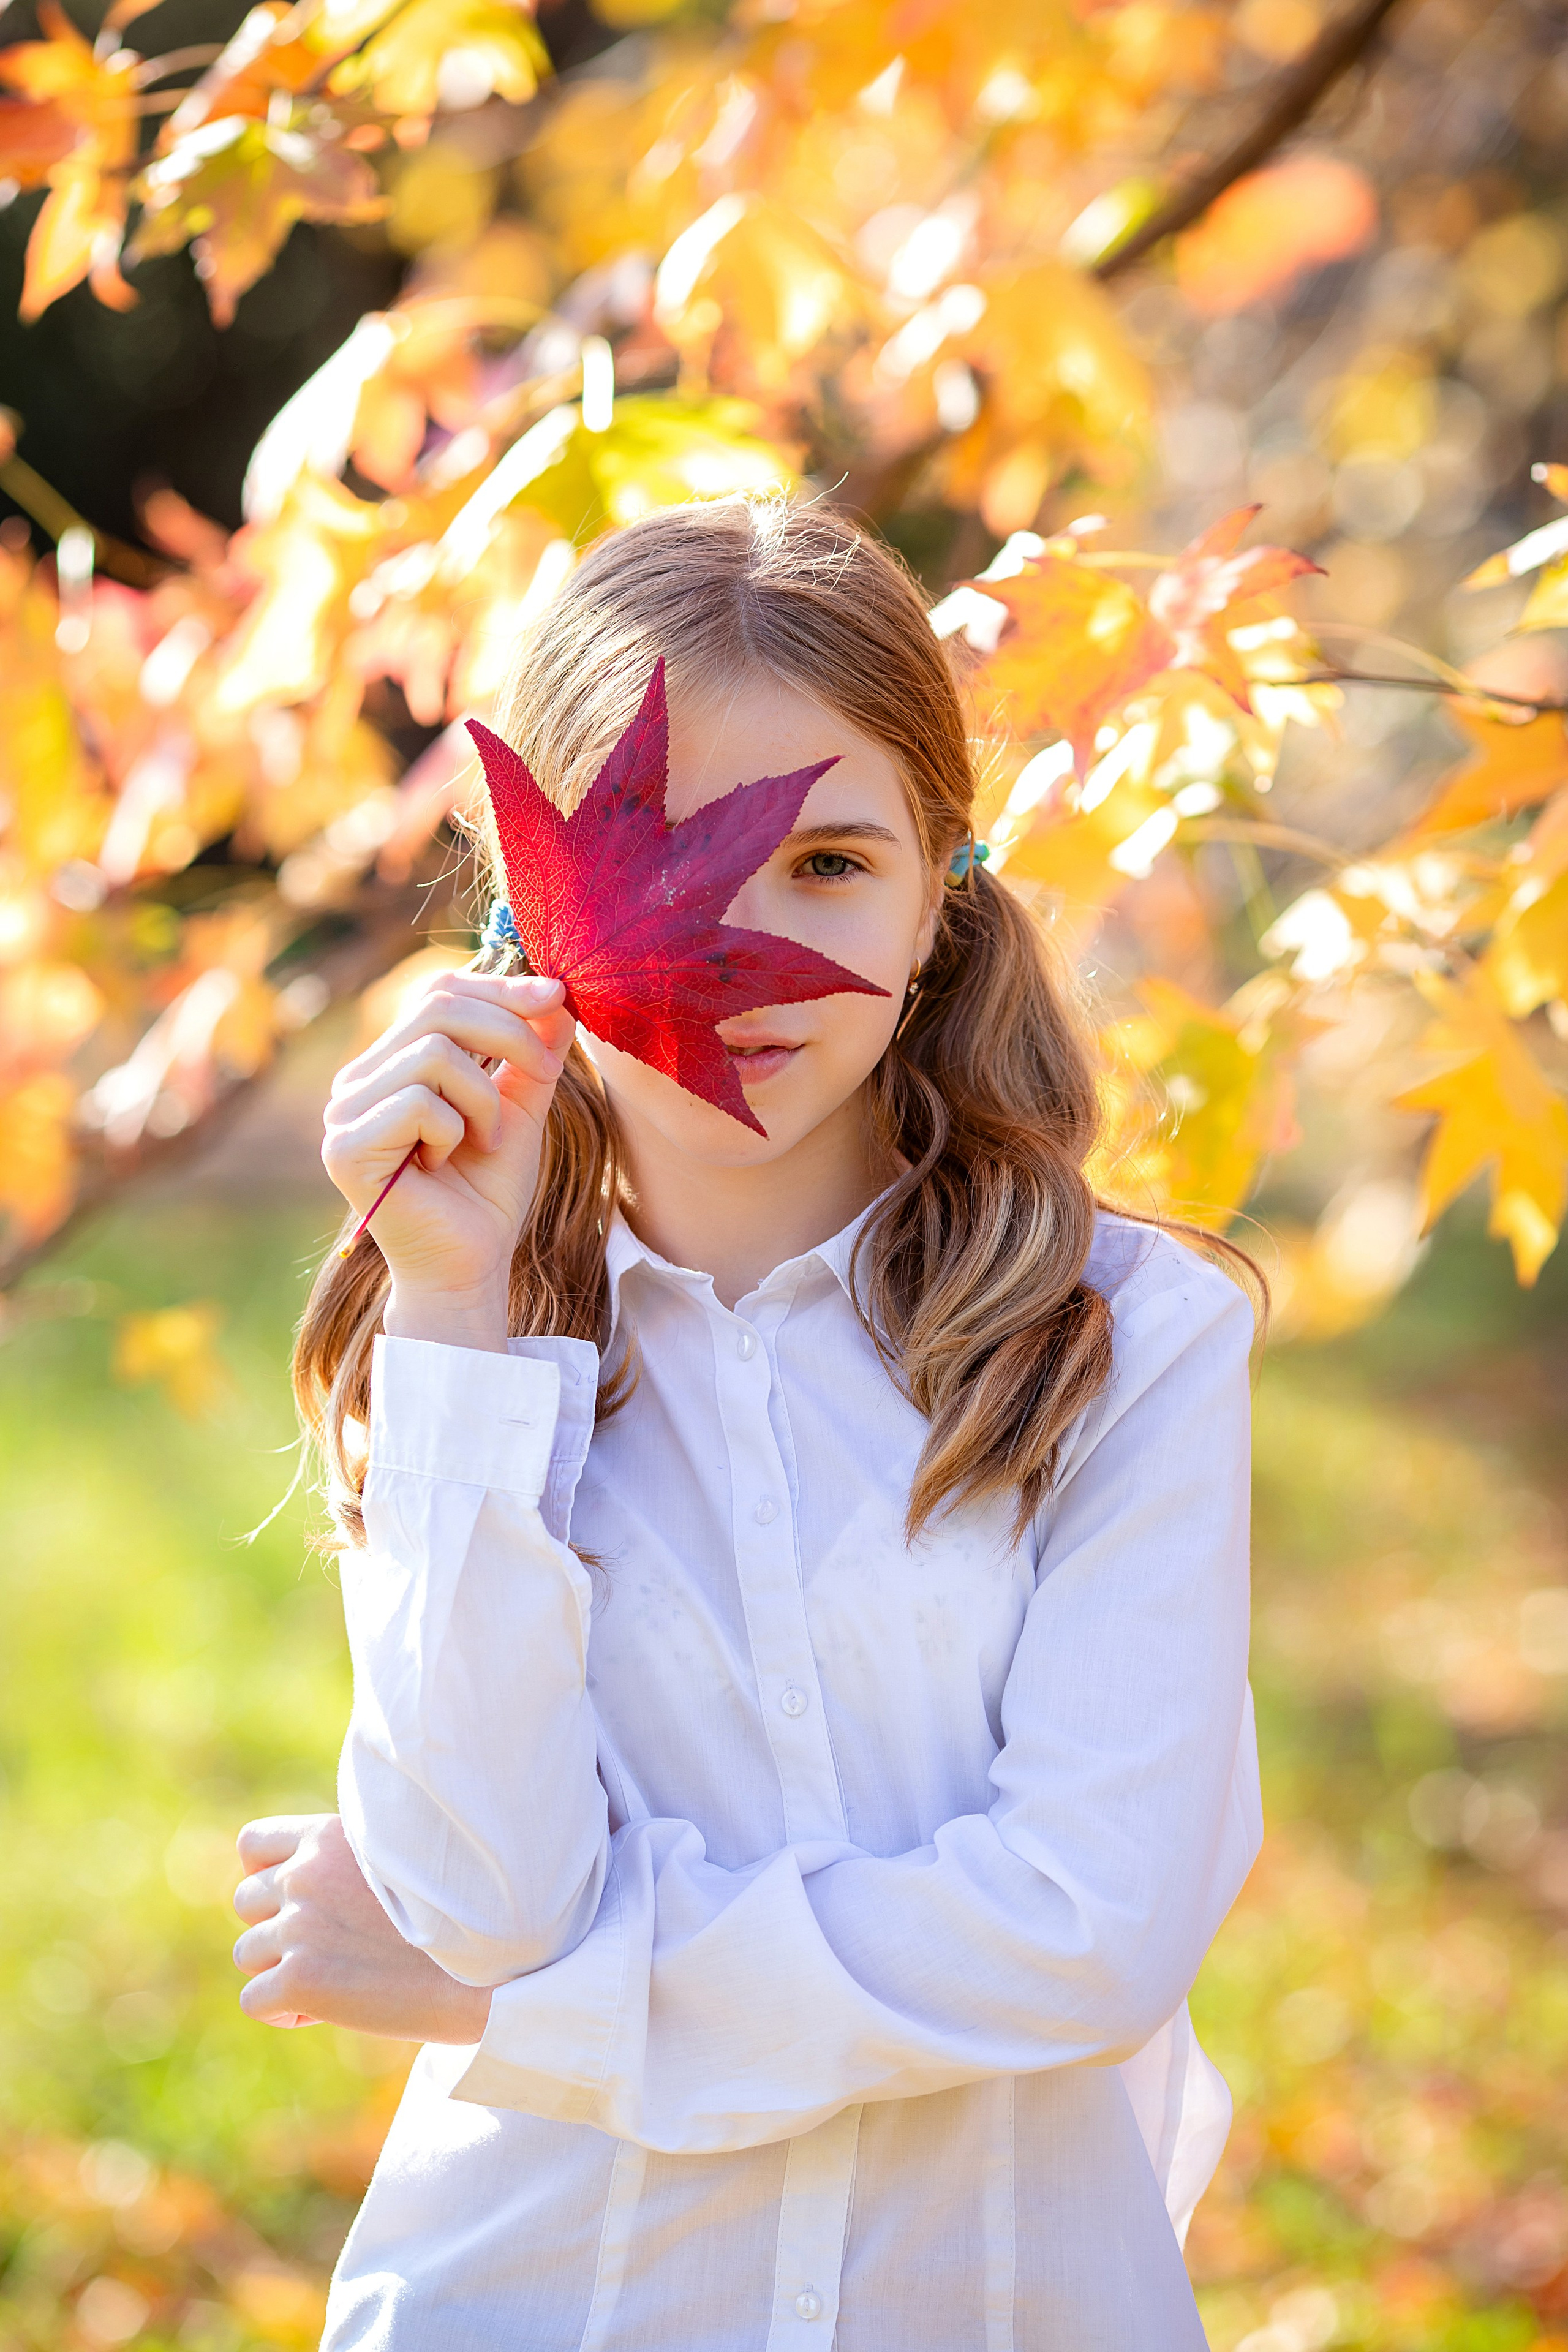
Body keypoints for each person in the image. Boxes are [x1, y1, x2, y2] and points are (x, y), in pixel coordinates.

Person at [231, 496, 1262, 2351]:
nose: (750, 956)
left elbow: (1091, 1928)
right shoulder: (470, 1343)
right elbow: (477, 1894)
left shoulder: (1128, 1342)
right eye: (673, 870)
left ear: (943, 891)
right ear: (528, 896)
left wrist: (535, 2011)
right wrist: (457, 1311)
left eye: (832, 865)